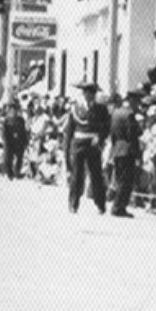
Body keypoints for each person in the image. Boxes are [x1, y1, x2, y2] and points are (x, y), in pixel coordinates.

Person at [63, 79, 109, 214]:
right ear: (83, 94)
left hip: (93, 145)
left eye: (92, 93)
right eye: (87, 93)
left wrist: (100, 137)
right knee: (77, 175)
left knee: (96, 175)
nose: (89, 96)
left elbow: (107, 127)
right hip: (78, 143)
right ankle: (73, 203)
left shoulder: (101, 109)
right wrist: (67, 147)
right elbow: (69, 130)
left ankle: (100, 204)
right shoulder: (75, 109)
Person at [107, 93, 142, 217]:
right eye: (137, 101)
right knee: (126, 180)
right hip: (127, 150)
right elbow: (132, 135)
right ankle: (118, 207)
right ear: (132, 101)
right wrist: (137, 154)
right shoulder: (129, 114)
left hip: (117, 148)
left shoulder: (116, 113)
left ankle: (118, 205)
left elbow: (112, 134)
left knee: (119, 178)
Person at [0, 103, 29, 179]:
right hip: (10, 142)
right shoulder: (6, 120)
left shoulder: (21, 120)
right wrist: (5, 141)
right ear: (10, 111)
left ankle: (17, 172)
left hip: (19, 142)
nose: (14, 112)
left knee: (20, 157)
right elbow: (4, 132)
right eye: (12, 110)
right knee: (8, 157)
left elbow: (23, 131)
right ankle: (9, 173)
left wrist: (26, 141)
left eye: (15, 110)